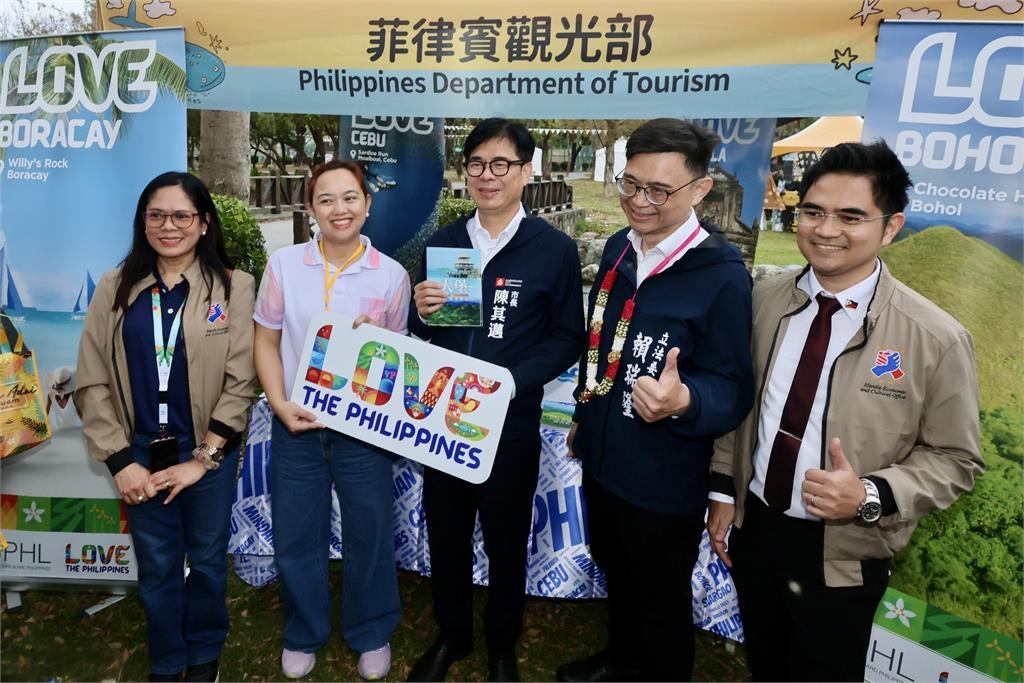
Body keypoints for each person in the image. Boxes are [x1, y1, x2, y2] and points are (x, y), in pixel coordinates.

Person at [708, 141, 984, 682]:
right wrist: (724, 489)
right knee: (765, 657)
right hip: (758, 526)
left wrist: (871, 494)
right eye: (813, 212)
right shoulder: (764, 300)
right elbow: (740, 405)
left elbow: (956, 458)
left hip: (845, 548)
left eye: (850, 216)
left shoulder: (935, 338)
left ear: (890, 227)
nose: (825, 229)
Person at [555, 118, 754, 683]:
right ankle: (621, 659)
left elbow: (732, 384)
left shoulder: (721, 276)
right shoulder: (619, 248)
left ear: (700, 190)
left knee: (660, 594)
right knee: (616, 567)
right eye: (630, 184)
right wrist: (586, 412)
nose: (639, 202)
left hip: (666, 472)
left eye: (659, 190)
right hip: (602, 453)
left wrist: (685, 399)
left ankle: (656, 668)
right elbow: (602, 342)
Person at [407, 118, 585, 683]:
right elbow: (434, 331)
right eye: (477, 164)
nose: (488, 176)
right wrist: (421, 309)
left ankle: (502, 640)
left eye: (501, 165)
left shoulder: (552, 249)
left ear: (527, 171)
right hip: (445, 420)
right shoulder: (446, 240)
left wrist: (508, 379)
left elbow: (567, 337)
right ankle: (453, 633)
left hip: (510, 423)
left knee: (508, 537)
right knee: (448, 532)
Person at [75, 171, 258, 682]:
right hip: (138, 456)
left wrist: (203, 461)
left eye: (182, 215)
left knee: (206, 562)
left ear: (203, 224)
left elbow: (241, 379)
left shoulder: (234, 286)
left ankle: (203, 653)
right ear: (143, 222)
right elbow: (91, 379)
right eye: (156, 215)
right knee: (156, 567)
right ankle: (168, 657)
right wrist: (119, 461)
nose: (168, 225)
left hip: (207, 453)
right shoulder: (115, 287)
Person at [253, 159, 411, 681]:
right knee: (298, 531)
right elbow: (267, 340)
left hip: (362, 432)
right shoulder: (283, 266)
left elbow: (398, 363)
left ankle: (370, 631)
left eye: (350, 198)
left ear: (367, 203)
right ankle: (304, 631)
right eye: (326, 199)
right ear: (310, 207)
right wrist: (278, 403)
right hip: (296, 423)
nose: (339, 209)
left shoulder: (391, 276)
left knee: (370, 528)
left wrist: (381, 342)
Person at [45, 366, 81, 431]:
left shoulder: (73, 395)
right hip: (57, 432)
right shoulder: (50, 395)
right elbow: (45, 414)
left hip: (71, 431)